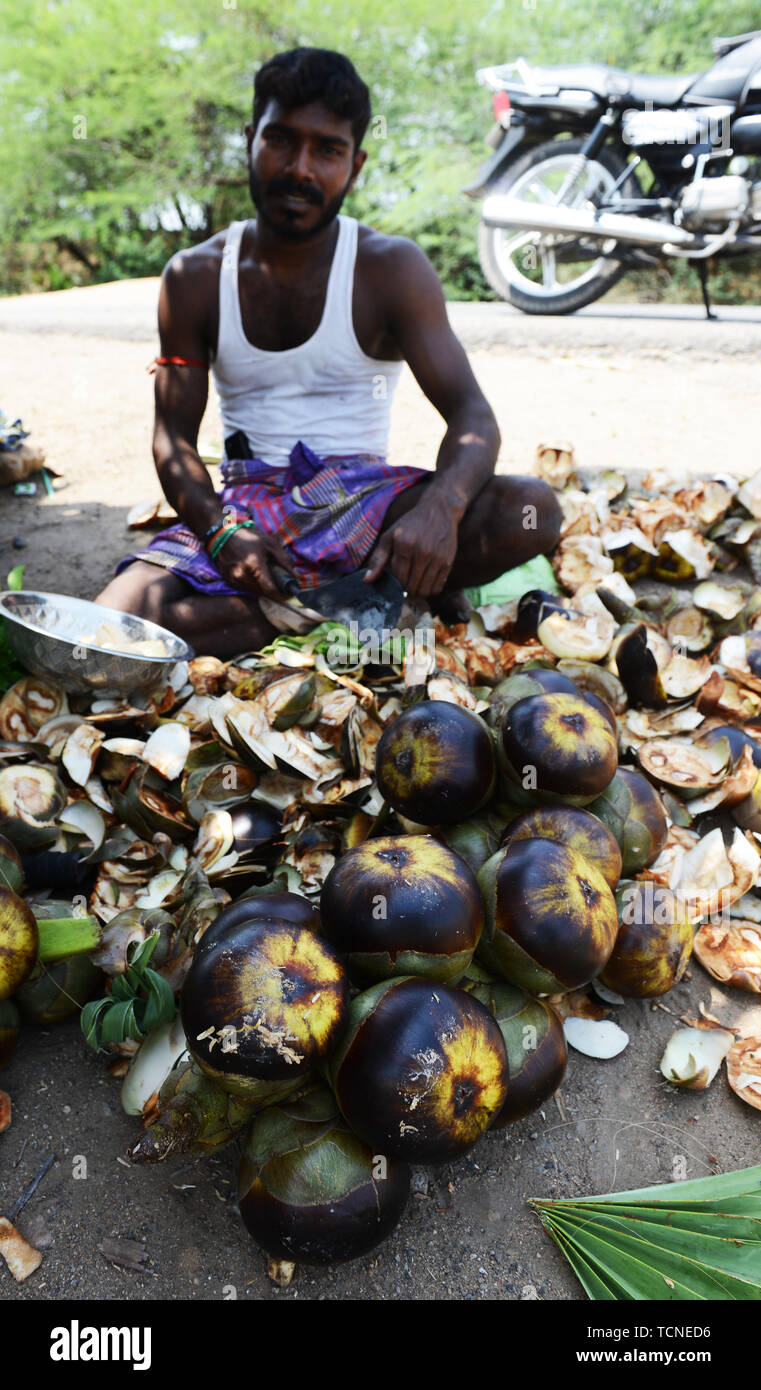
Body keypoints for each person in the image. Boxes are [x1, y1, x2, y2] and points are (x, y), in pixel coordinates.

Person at [95, 47, 562, 659]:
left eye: (328, 150)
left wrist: (440, 512)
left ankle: (298, 608)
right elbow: (173, 440)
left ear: (356, 163)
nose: (301, 168)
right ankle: (355, 608)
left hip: (367, 504)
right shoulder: (194, 276)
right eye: (281, 141)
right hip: (248, 509)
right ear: (249, 140)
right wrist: (220, 529)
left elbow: (472, 417)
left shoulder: (390, 269)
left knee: (530, 510)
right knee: (110, 626)